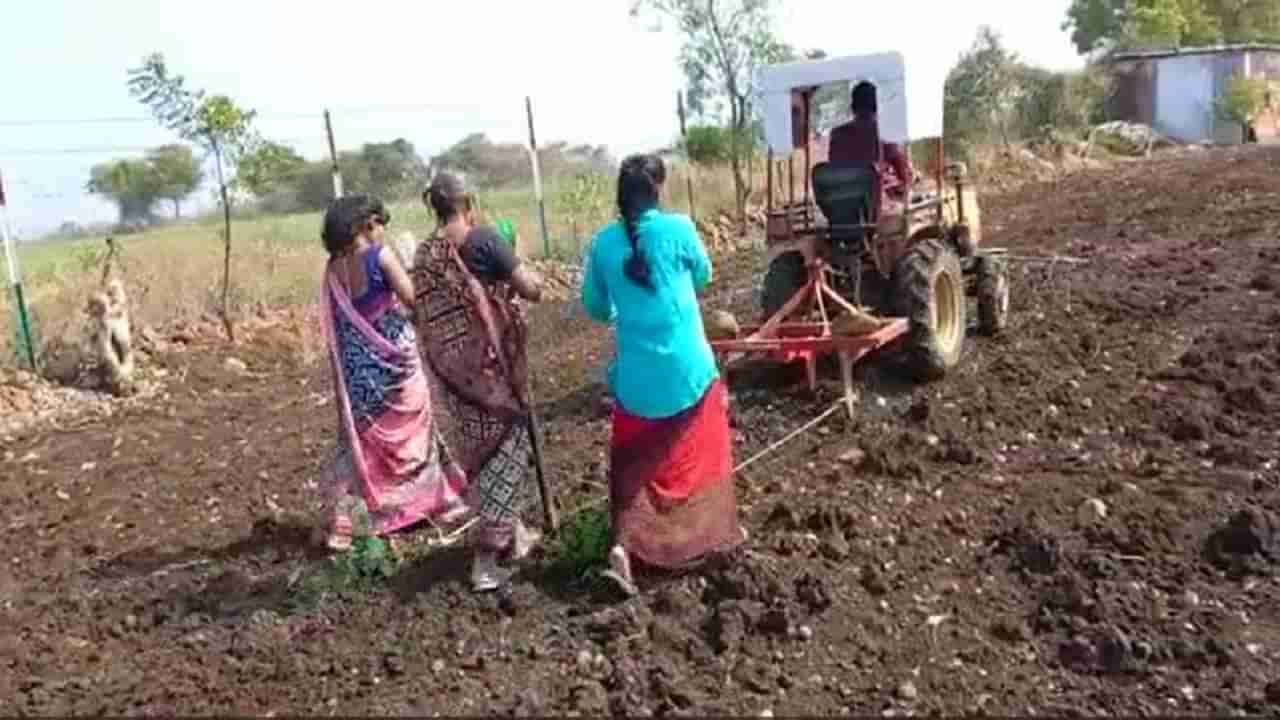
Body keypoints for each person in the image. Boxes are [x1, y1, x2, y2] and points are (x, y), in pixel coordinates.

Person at [580, 153, 746, 596]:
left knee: (634, 465)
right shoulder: (680, 229)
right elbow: (704, 274)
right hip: (690, 371)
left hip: (635, 382)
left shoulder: (602, 244)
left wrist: (623, 298)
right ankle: (708, 534)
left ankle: (624, 548)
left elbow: (595, 307)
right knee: (704, 447)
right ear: (659, 190)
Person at [411, 173, 546, 592]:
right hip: (492, 376)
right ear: (468, 204)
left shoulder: (425, 254)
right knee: (502, 457)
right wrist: (526, 271)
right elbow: (531, 289)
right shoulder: (484, 239)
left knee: (486, 456)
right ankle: (487, 562)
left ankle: (517, 533)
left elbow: (427, 315)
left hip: (455, 379)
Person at [318, 194, 469, 552]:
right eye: (378, 223)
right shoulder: (380, 257)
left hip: (358, 375)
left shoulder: (332, 271)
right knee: (413, 434)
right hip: (396, 366)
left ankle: (348, 517)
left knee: (364, 441)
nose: (381, 231)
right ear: (364, 225)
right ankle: (431, 502)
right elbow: (415, 300)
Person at [827, 80, 915, 213]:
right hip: (873, 208)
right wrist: (904, 180)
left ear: (852, 106)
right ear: (877, 106)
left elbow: (834, 167)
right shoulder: (883, 132)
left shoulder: (836, 134)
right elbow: (903, 172)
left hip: (840, 206)